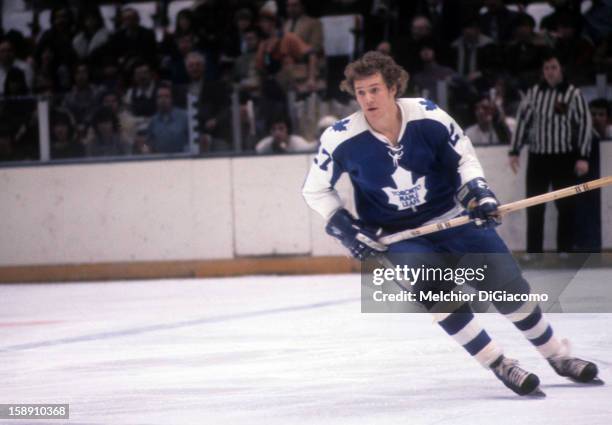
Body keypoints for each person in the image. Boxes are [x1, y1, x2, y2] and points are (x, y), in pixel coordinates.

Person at [302, 51, 599, 396]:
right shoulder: (340, 138)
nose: (367, 99)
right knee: (437, 293)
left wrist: (478, 193)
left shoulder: (428, 115)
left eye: (375, 89)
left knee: (508, 287)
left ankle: (557, 357)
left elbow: (463, 159)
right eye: (361, 92)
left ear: (394, 87)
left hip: (452, 218)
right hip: (398, 238)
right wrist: (345, 228)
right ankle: (500, 363)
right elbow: (315, 190)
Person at [509, 52, 592, 254]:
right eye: (546, 68)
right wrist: (514, 150)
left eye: (554, 67)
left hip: (564, 157)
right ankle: (534, 251)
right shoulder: (534, 93)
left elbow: (584, 125)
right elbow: (522, 121)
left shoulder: (573, 94)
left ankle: (565, 250)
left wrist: (583, 156)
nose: (550, 72)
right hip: (538, 158)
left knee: (566, 206)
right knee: (534, 205)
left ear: (561, 69)